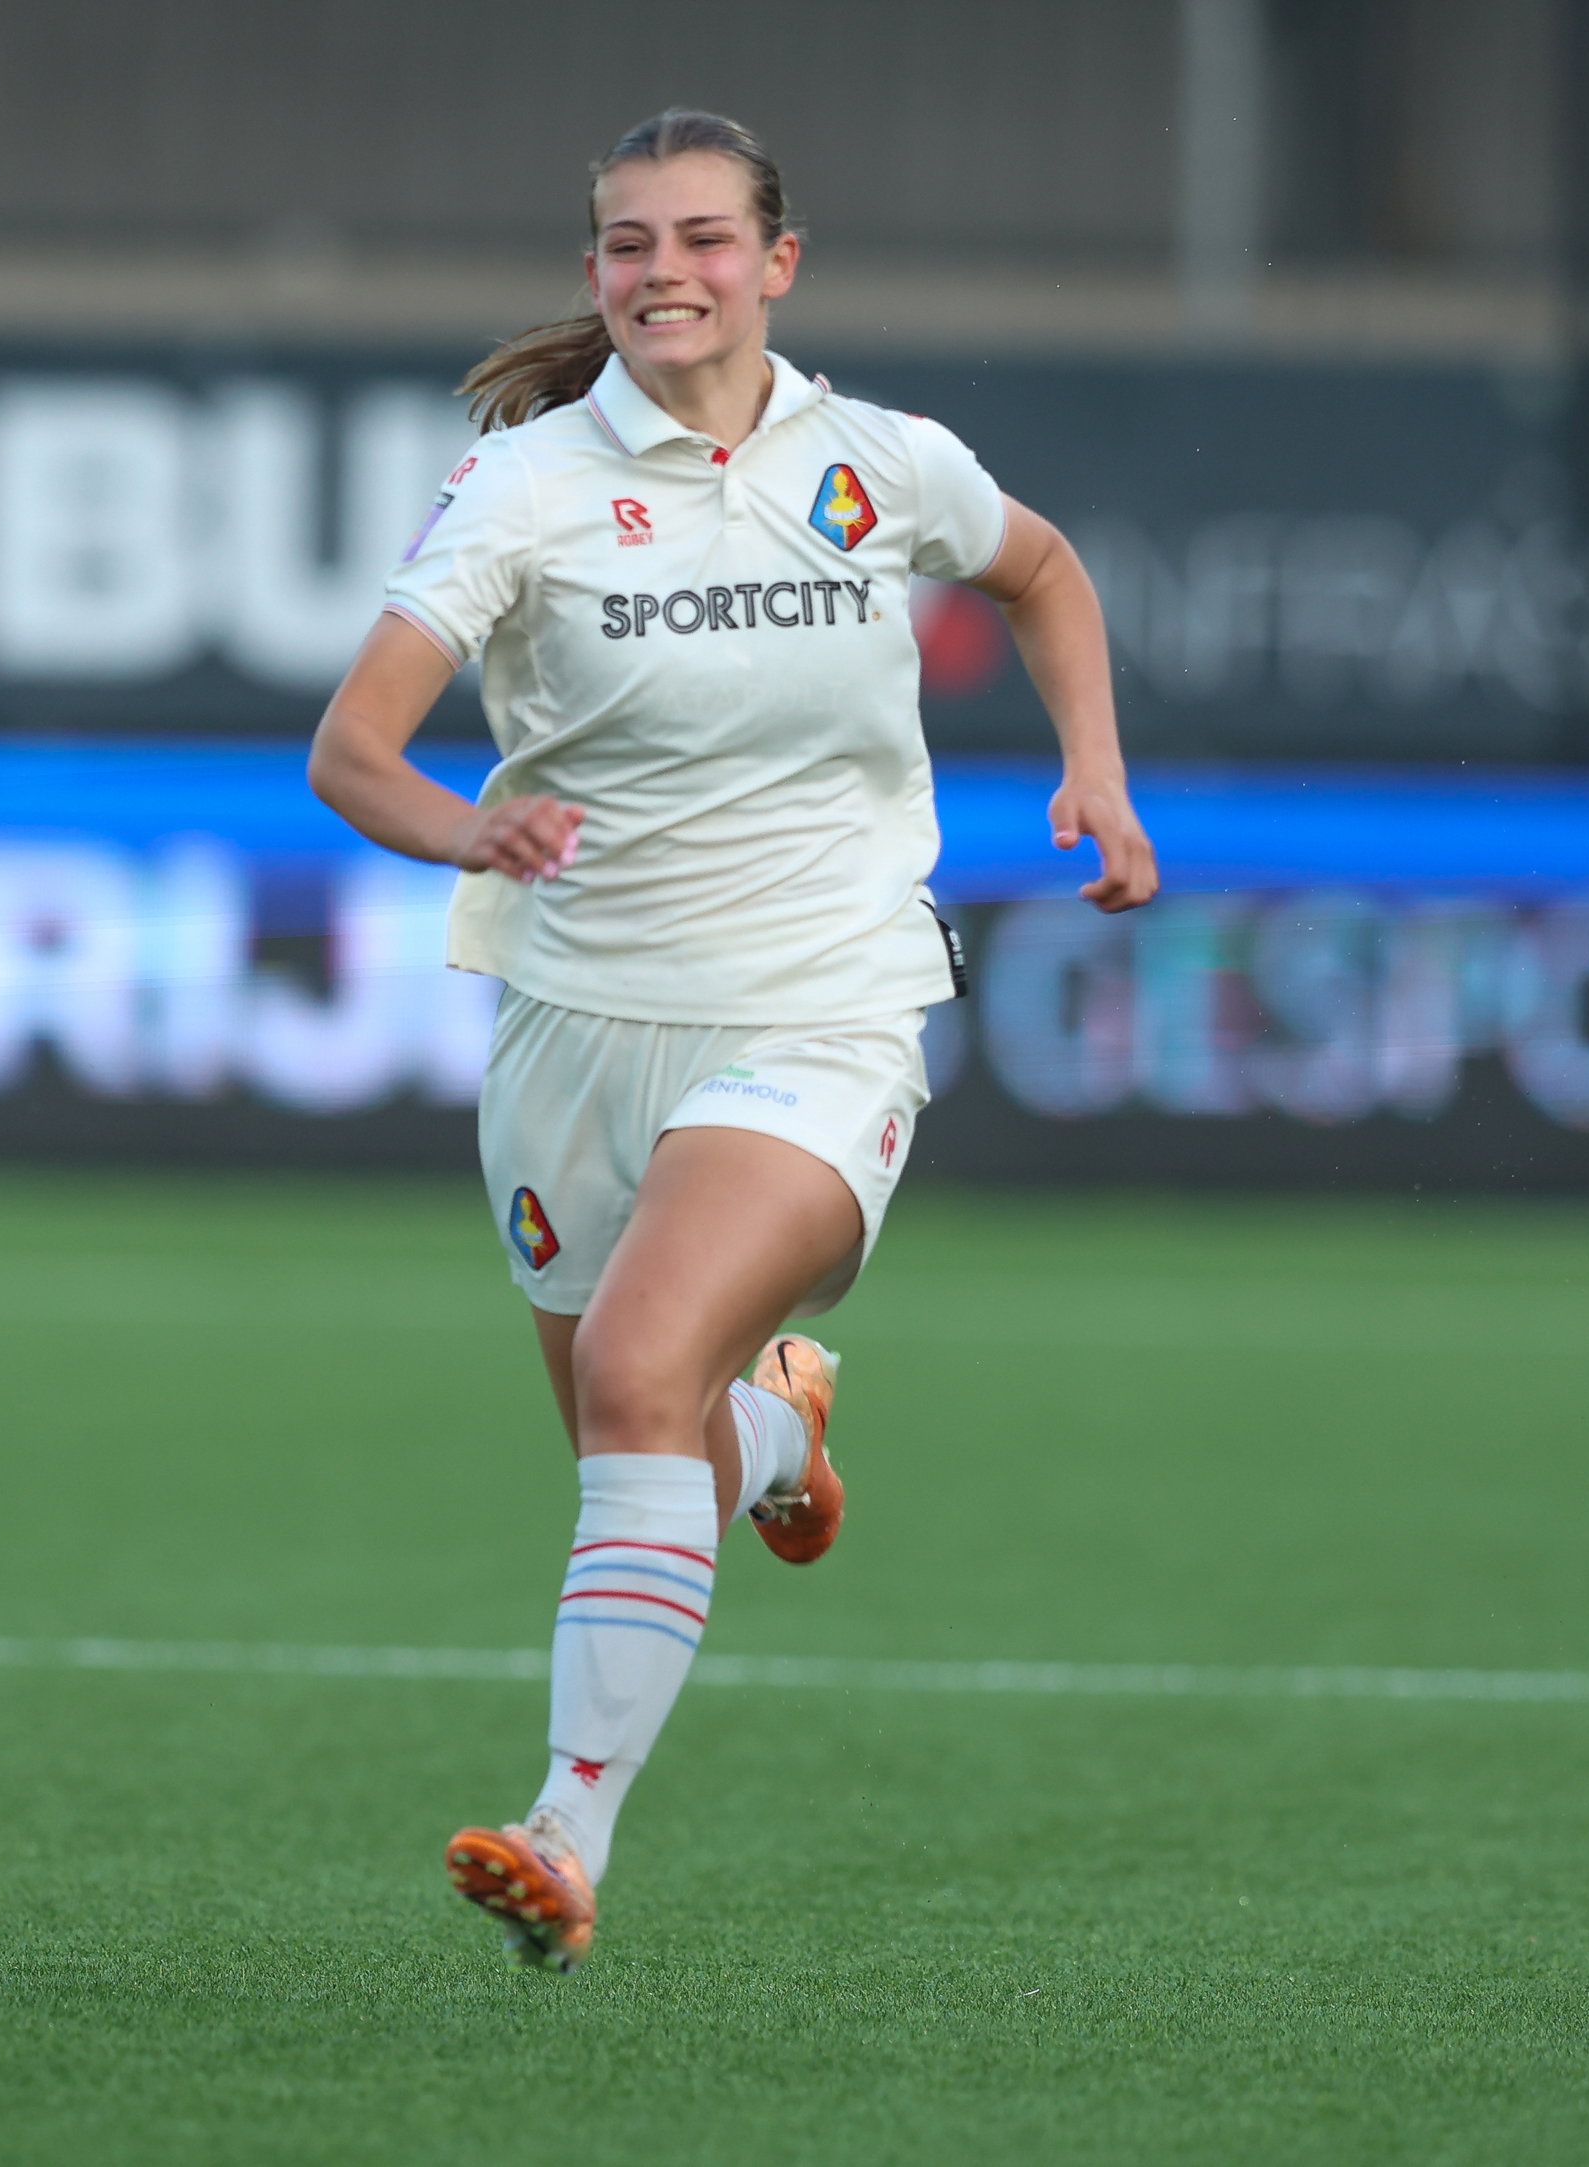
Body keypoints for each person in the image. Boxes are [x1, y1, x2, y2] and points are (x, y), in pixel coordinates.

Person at [307, 110, 1156, 1972]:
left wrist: (1090, 773)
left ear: (778, 263)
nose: (660, 272)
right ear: (594, 271)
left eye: (701, 238)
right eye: (625, 244)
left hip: (823, 1006)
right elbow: (351, 751)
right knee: (651, 1438)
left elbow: (1042, 571)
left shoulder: (875, 464)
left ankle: (565, 1830)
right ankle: (776, 1434)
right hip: (573, 1025)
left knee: (627, 1371)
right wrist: (472, 825)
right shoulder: (521, 485)